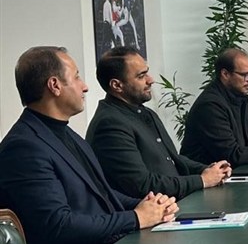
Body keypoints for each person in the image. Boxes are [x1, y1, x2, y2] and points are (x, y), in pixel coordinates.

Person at [0, 46, 177, 244]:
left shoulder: (66, 133)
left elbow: (100, 193)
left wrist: (151, 205)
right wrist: (136, 218)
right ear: (55, 85)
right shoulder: (23, 148)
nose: (84, 86)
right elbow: (58, 226)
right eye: (76, 77)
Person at [87, 47, 231, 200]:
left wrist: (209, 169)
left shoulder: (145, 113)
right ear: (117, 85)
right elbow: (142, 185)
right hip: (153, 211)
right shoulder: (110, 125)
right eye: (141, 76)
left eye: (147, 72)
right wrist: (202, 180)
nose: (151, 80)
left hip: (173, 203)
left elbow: (172, 159)